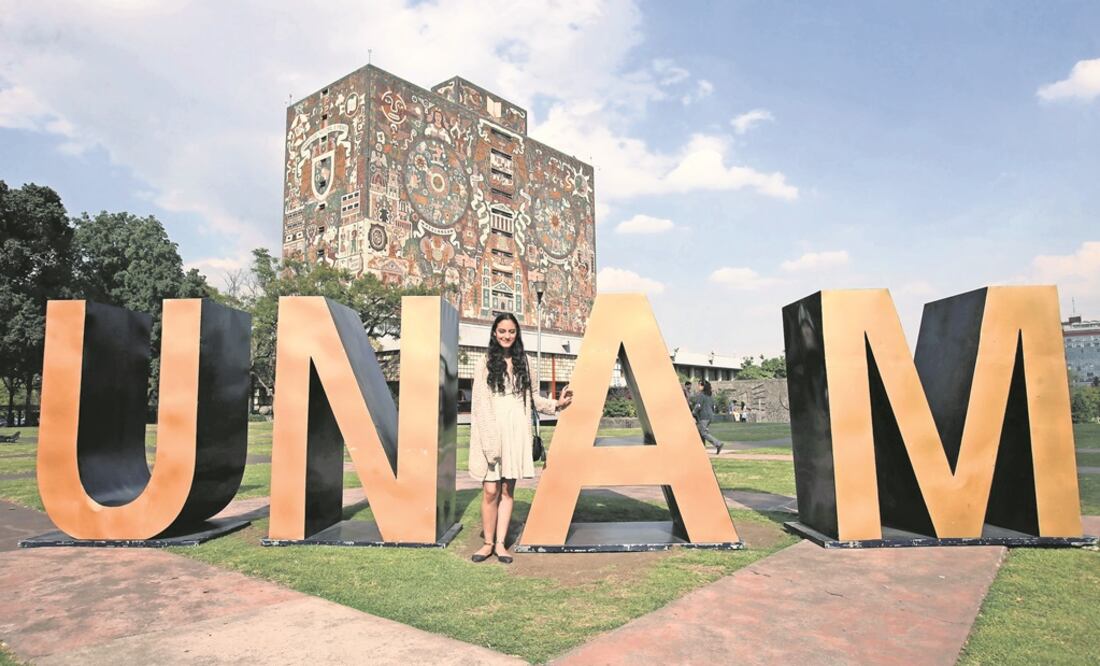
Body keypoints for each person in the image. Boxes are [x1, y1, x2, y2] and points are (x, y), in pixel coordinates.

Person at [468, 313, 573, 564]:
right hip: (492, 429)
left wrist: (556, 404)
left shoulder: (524, 361)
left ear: (517, 334)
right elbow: (480, 404)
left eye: (511, 331)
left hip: (516, 430)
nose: (506, 336)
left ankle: (501, 545)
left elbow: (533, 398)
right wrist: (489, 438)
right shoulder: (484, 363)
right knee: (490, 490)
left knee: (506, 489)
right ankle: (487, 544)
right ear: (495, 333)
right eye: (502, 331)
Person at [691, 379, 724, 454]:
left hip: (703, 416)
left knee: (703, 433)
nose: (698, 386)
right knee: (700, 431)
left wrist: (693, 413)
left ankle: (718, 444)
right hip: (709, 416)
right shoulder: (709, 396)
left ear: (703, 386)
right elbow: (713, 406)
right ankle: (702, 448)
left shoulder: (701, 395)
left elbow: (698, 406)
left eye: (700, 385)